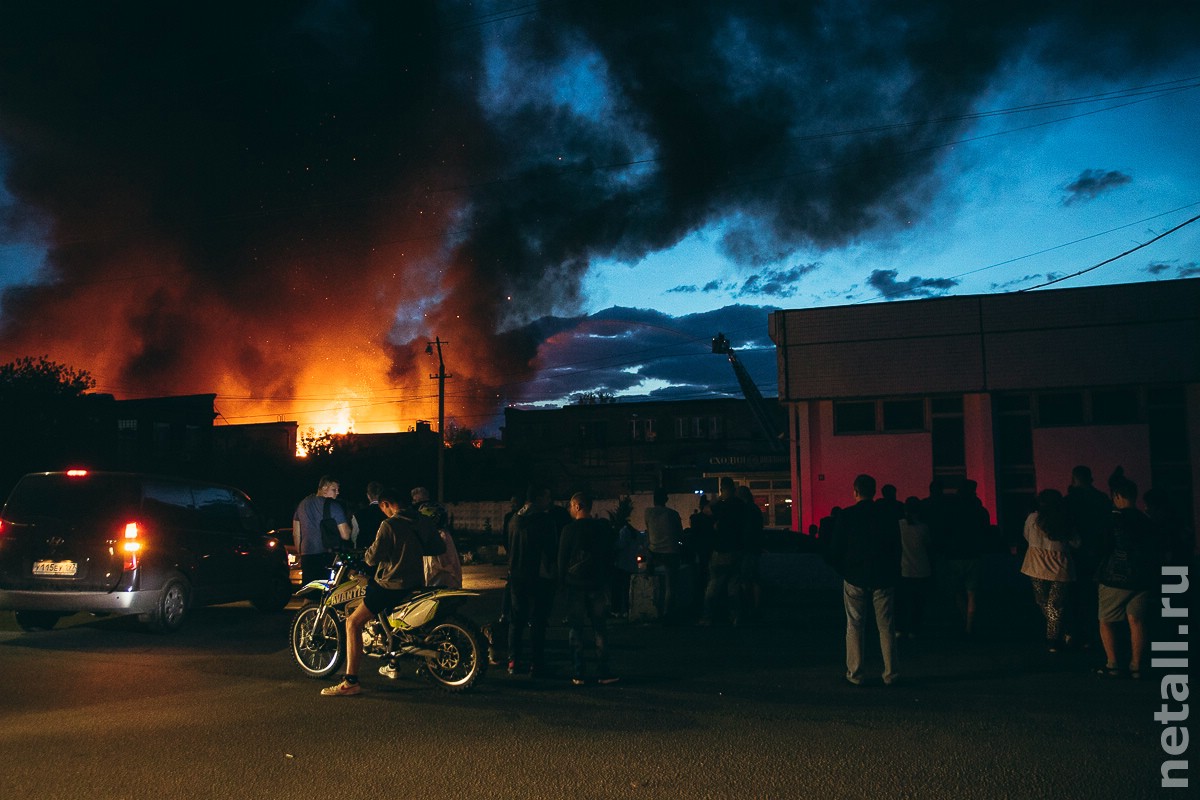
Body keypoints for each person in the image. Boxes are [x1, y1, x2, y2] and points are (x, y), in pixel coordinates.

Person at [321, 488, 425, 696]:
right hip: (417, 581)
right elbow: (436, 547)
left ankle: (350, 681)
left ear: (386, 504)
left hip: (392, 584)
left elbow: (372, 558)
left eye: (383, 508)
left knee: (352, 622)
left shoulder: (389, 524)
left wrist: (367, 554)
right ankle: (392, 660)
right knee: (386, 618)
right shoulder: (421, 521)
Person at [829, 474, 901, 686]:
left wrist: (844, 570)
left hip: (855, 576)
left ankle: (855, 673)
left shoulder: (846, 516)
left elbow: (835, 550)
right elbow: (896, 547)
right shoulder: (887, 515)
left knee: (854, 625)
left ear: (855, 491)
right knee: (886, 626)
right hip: (883, 576)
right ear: (874, 491)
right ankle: (891, 673)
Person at [1095, 477, 1161, 679]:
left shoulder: (1113, 519)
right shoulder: (1146, 520)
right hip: (1142, 578)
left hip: (1115, 577)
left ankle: (1113, 664)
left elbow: (1104, 547)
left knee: (1106, 620)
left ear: (1116, 496)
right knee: (1137, 621)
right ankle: (1137, 665)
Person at [558, 491, 619, 686]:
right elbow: (610, 555)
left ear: (577, 506)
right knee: (600, 629)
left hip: (575, 585)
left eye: (570, 505)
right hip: (597, 584)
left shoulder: (568, 530)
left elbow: (562, 560)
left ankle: (578, 672)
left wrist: (562, 583)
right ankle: (604, 672)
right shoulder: (601, 528)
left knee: (576, 629)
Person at [506, 484, 563, 677]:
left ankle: (513, 661)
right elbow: (551, 551)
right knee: (538, 621)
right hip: (539, 578)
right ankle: (536, 664)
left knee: (516, 621)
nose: (550, 501)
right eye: (547, 498)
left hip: (516, 576)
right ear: (538, 498)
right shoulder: (545, 521)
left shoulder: (514, 520)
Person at [1019, 489, 1079, 652]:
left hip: (1036, 565)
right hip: (1060, 567)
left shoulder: (1033, 518)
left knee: (1043, 601)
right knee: (1055, 604)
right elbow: (1076, 543)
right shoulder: (1065, 519)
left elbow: (1026, 535)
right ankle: (1057, 636)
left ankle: (1056, 636)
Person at [1064, 465, 1111, 648]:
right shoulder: (1101, 499)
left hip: (1075, 555)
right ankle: (1095, 634)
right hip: (1097, 553)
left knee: (1075, 596)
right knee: (1095, 597)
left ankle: (1077, 634)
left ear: (1074, 478)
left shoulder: (1069, 501)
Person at [939, 479, 990, 635]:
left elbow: (944, 530)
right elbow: (985, 531)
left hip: (954, 555)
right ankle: (970, 626)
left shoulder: (951, 508)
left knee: (956, 592)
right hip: (973, 554)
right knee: (972, 593)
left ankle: (964, 621)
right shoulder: (979, 509)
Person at [699, 477, 745, 626]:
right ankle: (735, 616)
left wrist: (717, 500)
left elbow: (706, 510)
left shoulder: (722, 505)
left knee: (713, 586)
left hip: (721, 550)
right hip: (737, 550)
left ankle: (707, 617)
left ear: (723, 489)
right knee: (734, 586)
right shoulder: (740, 505)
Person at [293, 475, 352, 585]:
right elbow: (345, 535)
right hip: (327, 555)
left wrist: (301, 553)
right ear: (324, 488)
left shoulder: (302, 504)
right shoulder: (334, 505)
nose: (338, 493)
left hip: (307, 555)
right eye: (334, 489)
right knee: (327, 592)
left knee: (309, 592)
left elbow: (296, 533)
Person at [644, 487, 684, 621]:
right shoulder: (673, 514)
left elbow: (648, 533)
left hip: (654, 553)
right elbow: (680, 534)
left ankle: (653, 608)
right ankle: (668, 613)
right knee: (671, 586)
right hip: (671, 552)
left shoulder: (648, 513)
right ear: (666, 499)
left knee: (656, 582)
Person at [895, 496, 932, 639]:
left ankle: (900, 628)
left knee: (902, 602)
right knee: (918, 603)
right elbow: (928, 547)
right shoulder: (923, 528)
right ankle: (914, 630)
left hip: (904, 570)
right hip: (922, 570)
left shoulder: (899, 526)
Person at [412, 486, 462, 588]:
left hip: (434, 538)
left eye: (417, 499)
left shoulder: (425, 509)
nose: (416, 502)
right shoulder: (439, 507)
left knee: (436, 568)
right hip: (441, 537)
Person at [735, 485, 765, 620]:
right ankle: (756, 607)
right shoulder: (755, 510)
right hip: (754, 548)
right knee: (754, 579)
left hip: (747, 548)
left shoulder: (745, 510)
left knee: (747, 579)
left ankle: (750, 606)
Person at [351, 481, 386, 549]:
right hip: (385, 553)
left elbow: (354, 537)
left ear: (368, 496)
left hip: (365, 552)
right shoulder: (389, 513)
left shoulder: (358, 514)